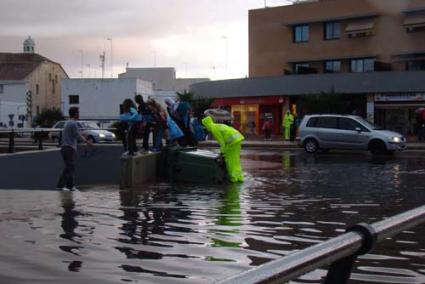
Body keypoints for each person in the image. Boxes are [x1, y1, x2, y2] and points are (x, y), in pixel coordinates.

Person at [56, 107, 92, 191]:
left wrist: (83, 137)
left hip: (65, 148)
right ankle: (60, 186)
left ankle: (70, 186)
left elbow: (74, 134)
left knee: (69, 167)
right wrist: (87, 141)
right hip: (69, 148)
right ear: (75, 114)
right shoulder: (73, 123)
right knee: (69, 167)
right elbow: (77, 135)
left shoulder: (68, 123)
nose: (79, 114)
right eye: (78, 112)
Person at [202, 115, 244, 183]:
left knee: (229, 160)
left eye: (205, 126)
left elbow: (221, 143)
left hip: (232, 142)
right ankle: (239, 177)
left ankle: (233, 178)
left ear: (207, 125)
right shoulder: (217, 125)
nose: (206, 128)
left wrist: (222, 153)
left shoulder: (213, 129)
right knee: (236, 159)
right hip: (238, 138)